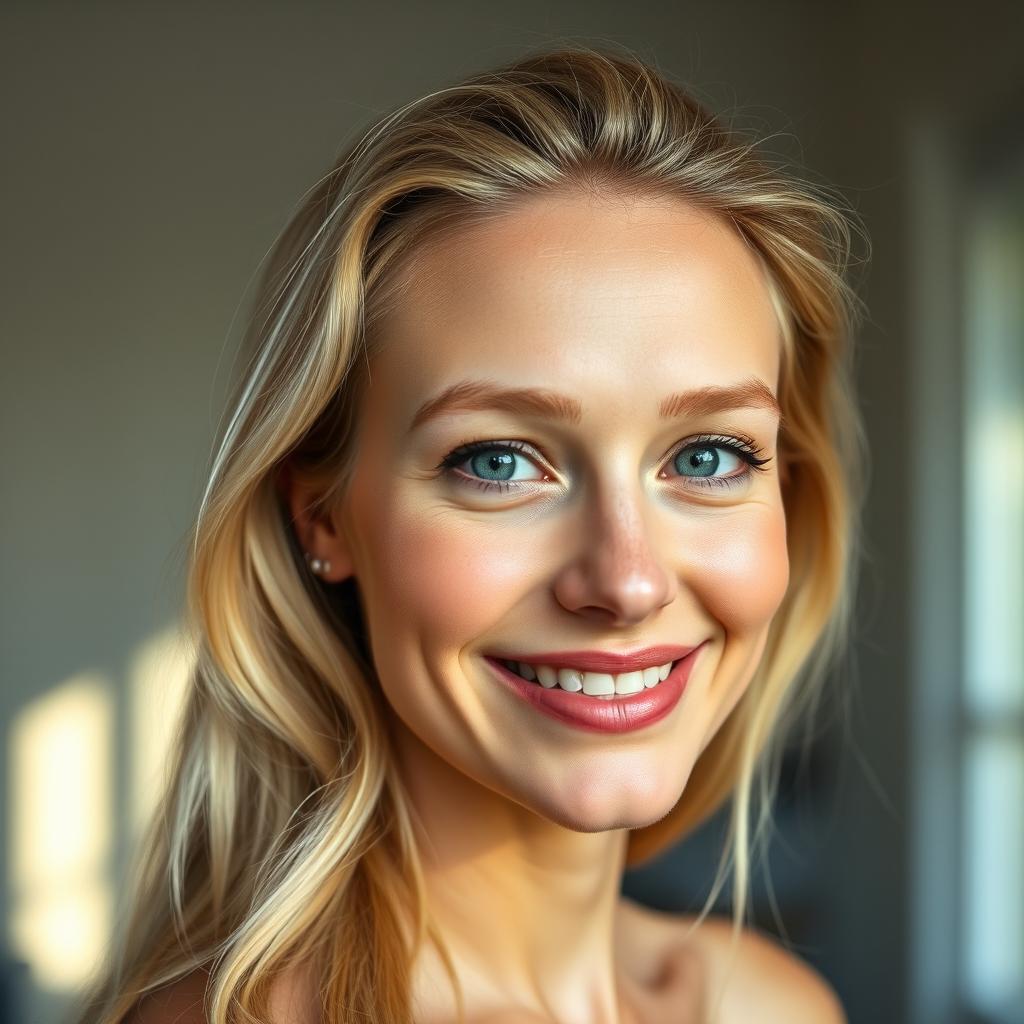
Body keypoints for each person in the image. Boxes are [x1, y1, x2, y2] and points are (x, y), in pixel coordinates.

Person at [79, 43, 867, 1024]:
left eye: (706, 457)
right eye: (498, 461)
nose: (625, 581)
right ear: (322, 513)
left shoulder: (774, 1007)